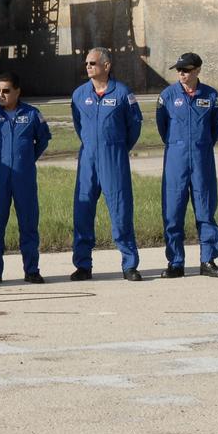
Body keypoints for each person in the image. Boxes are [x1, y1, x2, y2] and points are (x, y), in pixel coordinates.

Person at [70, 47, 143, 281]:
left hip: (114, 157)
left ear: (107, 65)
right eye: (87, 63)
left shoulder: (122, 93)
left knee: (121, 211)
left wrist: (118, 147)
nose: (88, 67)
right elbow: (78, 124)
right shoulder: (79, 95)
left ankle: (129, 264)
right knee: (82, 211)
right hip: (88, 157)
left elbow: (135, 126)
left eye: (93, 63)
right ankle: (83, 265)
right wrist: (92, 144)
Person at [0, 70, 52, 284]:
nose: (1, 94)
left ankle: (31, 270)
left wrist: (27, 159)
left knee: (28, 224)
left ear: (17, 91)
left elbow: (43, 140)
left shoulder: (32, 114)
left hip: (23, 178)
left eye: (6, 91)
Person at [155, 52, 218, 277]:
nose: (181, 74)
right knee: (173, 211)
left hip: (202, 158)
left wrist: (202, 144)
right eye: (179, 70)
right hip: (176, 158)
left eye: (186, 70)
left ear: (197, 70)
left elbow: (216, 126)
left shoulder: (211, 95)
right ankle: (176, 262)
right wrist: (177, 144)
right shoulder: (167, 95)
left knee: (205, 209)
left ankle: (208, 260)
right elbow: (162, 126)